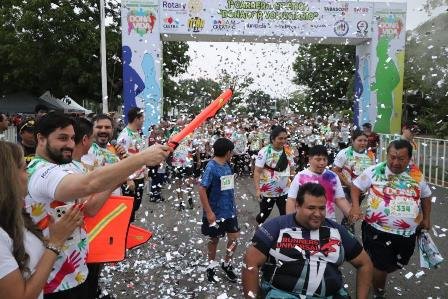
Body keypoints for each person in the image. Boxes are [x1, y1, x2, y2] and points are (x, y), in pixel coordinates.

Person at [24, 112, 170, 298]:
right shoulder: (40, 172)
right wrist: (140, 158)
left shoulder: (64, 168)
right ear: (41, 139)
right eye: (62, 138)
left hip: (76, 275)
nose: (70, 144)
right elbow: (87, 184)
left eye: (71, 138)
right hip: (53, 285)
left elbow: (91, 208)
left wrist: (117, 179)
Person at [242, 183, 373, 299]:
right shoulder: (276, 226)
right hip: (282, 294)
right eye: (311, 208)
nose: (318, 213)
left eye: (322, 208)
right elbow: (250, 262)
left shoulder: (337, 231)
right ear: (297, 206)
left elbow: (365, 264)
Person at [349, 139, 432, 299]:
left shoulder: (416, 174)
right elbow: (356, 187)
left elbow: (426, 196)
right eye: (392, 157)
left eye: (401, 158)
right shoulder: (374, 171)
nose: (395, 162)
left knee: (398, 263)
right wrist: (355, 206)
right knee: (380, 265)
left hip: (407, 233)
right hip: (377, 230)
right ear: (387, 155)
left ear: (409, 159)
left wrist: (427, 218)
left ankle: (373, 268)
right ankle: (379, 291)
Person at [0, 141, 83, 299]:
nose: (29, 174)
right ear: (8, 177)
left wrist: (57, 234)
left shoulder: (14, 215)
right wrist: (55, 243)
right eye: (24, 169)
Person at [199, 138, 239, 283]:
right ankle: (211, 266)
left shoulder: (228, 164)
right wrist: (209, 212)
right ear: (228, 152)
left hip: (229, 210)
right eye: (231, 151)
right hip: (215, 212)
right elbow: (202, 189)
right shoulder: (211, 167)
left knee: (234, 238)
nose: (232, 154)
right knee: (214, 240)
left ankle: (227, 264)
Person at [286, 145, 351, 222]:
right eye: (318, 159)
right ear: (309, 159)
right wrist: (290, 222)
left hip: (328, 221)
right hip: (305, 222)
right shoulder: (300, 177)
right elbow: (291, 200)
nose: (322, 163)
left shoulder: (332, 176)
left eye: (324, 159)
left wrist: (351, 214)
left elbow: (340, 199)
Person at [332, 129, 375, 233]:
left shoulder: (370, 155)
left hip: (362, 191)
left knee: (353, 213)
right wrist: (348, 184)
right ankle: (346, 234)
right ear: (352, 140)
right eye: (360, 140)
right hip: (346, 189)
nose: (363, 143)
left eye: (365, 140)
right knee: (351, 213)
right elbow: (335, 171)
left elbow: (372, 172)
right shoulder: (344, 153)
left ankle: (345, 233)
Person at [253, 126, 295, 224]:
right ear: (273, 139)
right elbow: (257, 171)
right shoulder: (264, 151)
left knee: (286, 215)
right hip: (267, 191)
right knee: (263, 215)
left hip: (285, 190)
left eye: (285, 138)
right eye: (280, 138)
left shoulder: (288, 151)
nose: (283, 141)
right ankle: (258, 230)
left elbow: (292, 170)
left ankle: (283, 235)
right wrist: (257, 189)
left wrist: (293, 185)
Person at [81, 114, 126, 195]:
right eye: (99, 127)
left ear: (112, 130)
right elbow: (88, 183)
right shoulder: (86, 150)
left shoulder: (113, 149)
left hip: (115, 203)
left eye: (107, 127)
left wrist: (122, 160)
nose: (103, 130)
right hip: (97, 204)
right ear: (91, 130)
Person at [117, 107, 147, 222]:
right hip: (130, 180)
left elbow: (139, 154)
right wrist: (128, 179)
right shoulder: (125, 136)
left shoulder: (136, 133)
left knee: (135, 208)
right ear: (137, 119)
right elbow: (120, 159)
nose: (144, 120)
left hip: (138, 178)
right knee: (127, 213)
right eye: (142, 118)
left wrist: (144, 171)